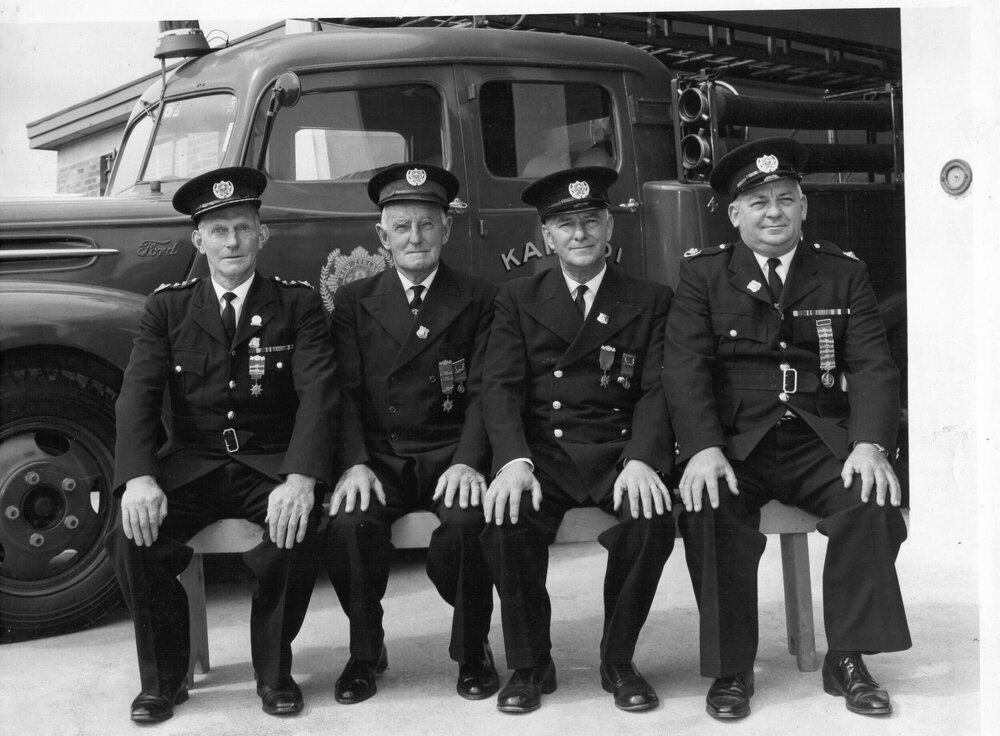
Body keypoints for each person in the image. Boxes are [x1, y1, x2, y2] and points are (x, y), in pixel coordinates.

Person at [662, 137, 910, 720]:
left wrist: (870, 444)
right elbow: (685, 366)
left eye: (785, 199)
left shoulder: (843, 272)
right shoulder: (703, 274)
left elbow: (872, 365)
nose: (773, 212)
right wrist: (701, 448)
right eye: (758, 202)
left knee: (870, 499)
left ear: (803, 207)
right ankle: (731, 668)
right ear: (734, 214)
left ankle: (846, 657)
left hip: (818, 438)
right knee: (708, 508)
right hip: (736, 445)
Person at [106, 166, 337, 722]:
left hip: (269, 463)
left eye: (242, 228)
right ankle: (163, 681)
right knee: (130, 535)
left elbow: (319, 395)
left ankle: (274, 674)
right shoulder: (168, 308)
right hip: (194, 464)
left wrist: (300, 478)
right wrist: (138, 478)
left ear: (262, 234)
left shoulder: (298, 305)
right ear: (198, 240)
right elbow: (137, 397)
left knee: (301, 525)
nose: (231, 242)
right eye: (218, 231)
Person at [480, 166, 675, 714]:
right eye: (566, 224)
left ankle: (618, 660)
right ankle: (529, 665)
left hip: (618, 453)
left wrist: (643, 459)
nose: (580, 233)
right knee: (505, 521)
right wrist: (513, 461)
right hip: (545, 455)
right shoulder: (517, 297)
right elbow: (500, 387)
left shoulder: (651, 298)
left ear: (610, 226)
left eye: (591, 220)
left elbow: (658, 389)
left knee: (653, 520)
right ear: (548, 236)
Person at [324, 163, 499, 704]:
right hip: (381, 458)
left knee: (469, 525)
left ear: (446, 229)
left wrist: (469, 460)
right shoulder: (353, 301)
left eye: (427, 224)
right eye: (402, 227)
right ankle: (365, 650)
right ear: (383, 236)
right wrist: (353, 463)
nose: (415, 238)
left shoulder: (479, 297)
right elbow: (343, 393)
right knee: (348, 525)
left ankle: (473, 650)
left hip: (451, 455)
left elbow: (487, 392)